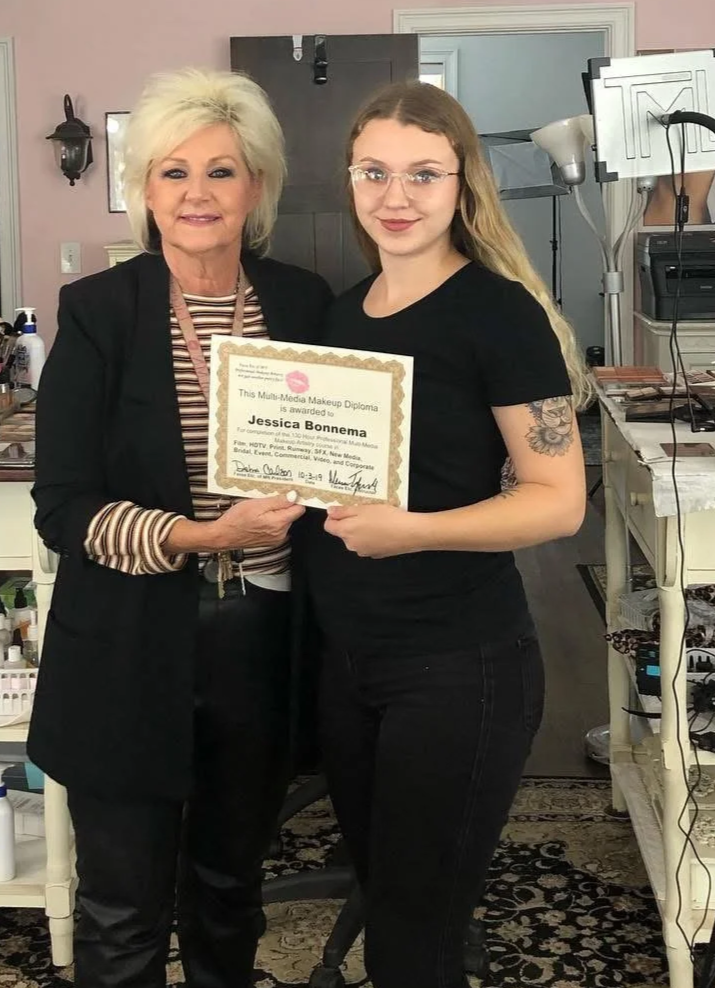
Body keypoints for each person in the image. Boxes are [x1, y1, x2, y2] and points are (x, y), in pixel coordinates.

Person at [28, 67, 332, 988]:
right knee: (121, 910)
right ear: (142, 192)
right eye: (173, 173)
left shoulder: (305, 304)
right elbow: (65, 508)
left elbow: (343, 456)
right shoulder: (98, 314)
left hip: (261, 638)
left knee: (229, 890)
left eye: (222, 171)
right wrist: (203, 535)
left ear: (259, 189)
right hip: (126, 641)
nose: (197, 194)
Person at [304, 81, 588, 988]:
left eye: (423, 175)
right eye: (375, 172)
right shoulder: (340, 316)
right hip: (348, 659)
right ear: (350, 181)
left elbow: (558, 501)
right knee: (390, 892)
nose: (397, 196)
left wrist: (412, 531)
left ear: (461, 183)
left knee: (413, 937)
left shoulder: (498, 315)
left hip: (458, 662)